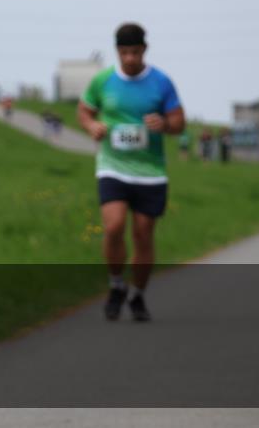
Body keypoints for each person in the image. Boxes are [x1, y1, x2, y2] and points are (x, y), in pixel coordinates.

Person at [77, 23, 185, 322]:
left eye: (135, 52)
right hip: (112, 167)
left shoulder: (161, 82)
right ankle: (115, 285)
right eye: (124, 53)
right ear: (117, 51)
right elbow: (84, 111)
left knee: (143, 235)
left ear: (144, 50)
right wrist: (92, 126)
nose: (130, 59)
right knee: (113, 227)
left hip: (150, 171)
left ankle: (137, 294)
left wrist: (164, 124)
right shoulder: (103, 80)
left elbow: (179, 123)